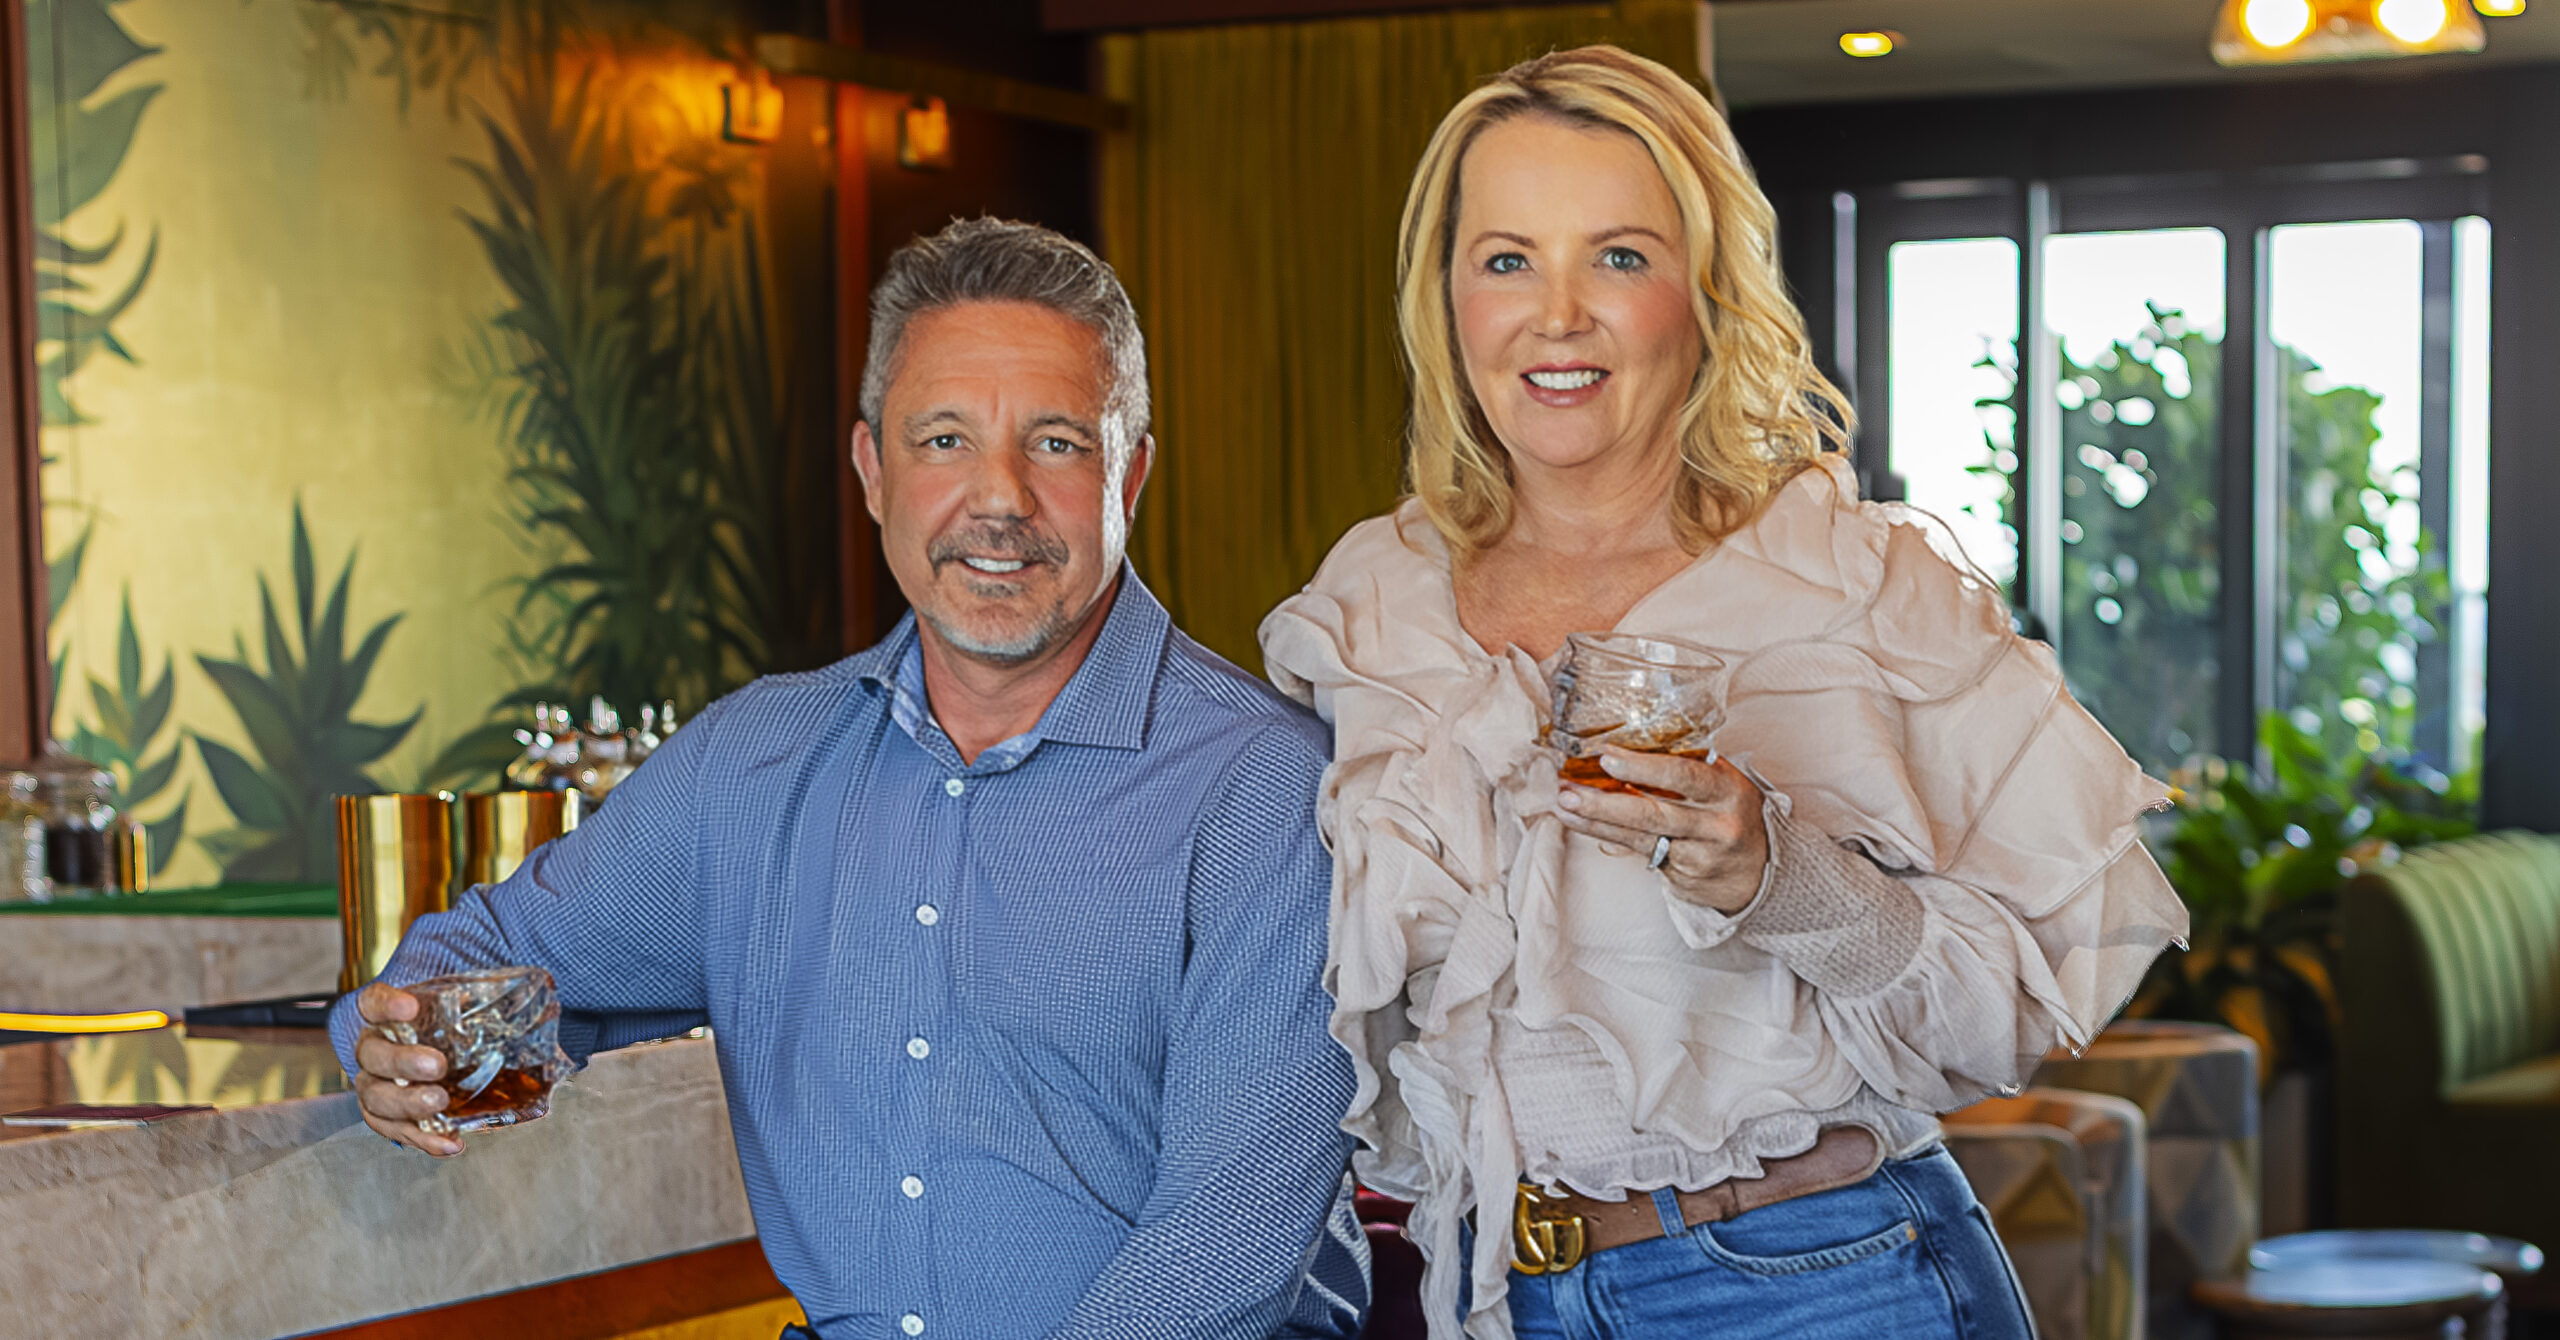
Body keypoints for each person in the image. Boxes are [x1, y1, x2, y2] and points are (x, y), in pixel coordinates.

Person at [1260, 46, 2188, 1340]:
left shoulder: (1853, 583)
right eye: (1507, 258)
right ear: (1446, 295)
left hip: (1821, 1281)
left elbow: (2018, 1005)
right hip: (1501, 1296)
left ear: (1704, 291)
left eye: (1619, 256)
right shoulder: (1374, 601)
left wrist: (1777, 876)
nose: (1557, 314)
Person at [332, 218, 1368, 1340]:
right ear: (874, 471)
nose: (1000, 497)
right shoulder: (750, 766)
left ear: (1132, 472)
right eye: (945, 439)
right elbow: (481, 962)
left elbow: (1225, 1247)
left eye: (1058, 442)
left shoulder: (1269, 790)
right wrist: (402, 1052)